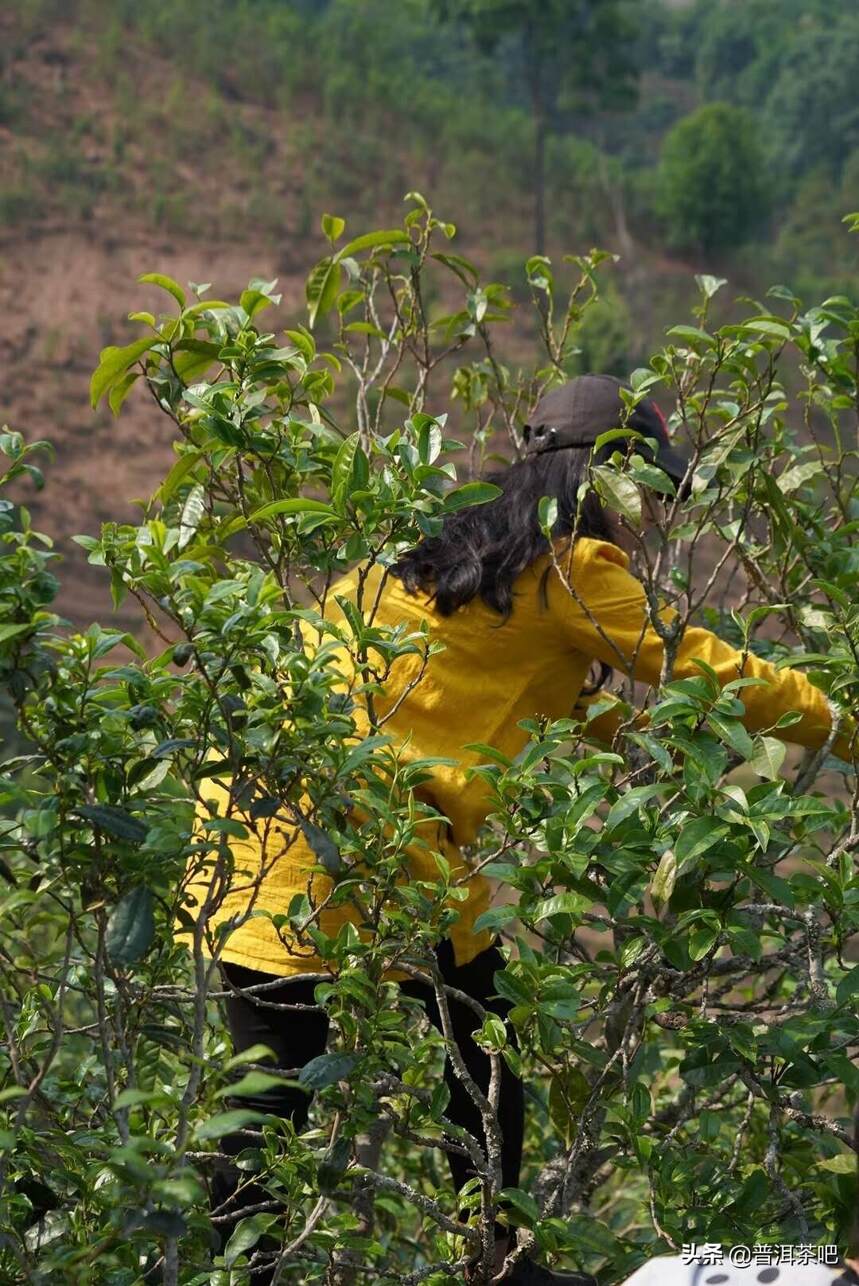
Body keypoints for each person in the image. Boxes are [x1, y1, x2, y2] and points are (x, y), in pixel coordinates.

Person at [181, 375, 855, 1284]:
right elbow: (706, 667)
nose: (651, 517)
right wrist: (839, 720)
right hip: (357, 847)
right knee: (465, 1055)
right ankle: (488, 1261)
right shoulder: (572, 572)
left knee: (284, 1081)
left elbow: (490, 685)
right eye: (647, 491)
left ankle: (249, 1268)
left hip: (260, 827)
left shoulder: (429, 552)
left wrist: (624, 743)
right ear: (605, 481)